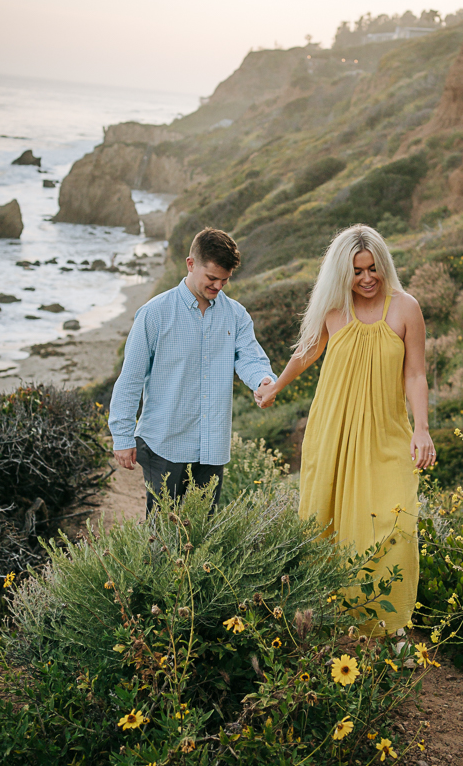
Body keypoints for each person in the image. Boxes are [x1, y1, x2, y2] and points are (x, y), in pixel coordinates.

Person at [255, 224, 436, 632]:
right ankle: (328, 621)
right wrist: (276, 386)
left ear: (383, 264)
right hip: (331, 431)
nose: (367, 278)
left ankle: (388, 629)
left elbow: (415, 375)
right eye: (357, 271)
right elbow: (306, 352)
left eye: (373, 268)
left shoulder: (406, 308)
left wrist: (421, 429)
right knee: (326, 524)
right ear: (344, 273)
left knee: (394, 525)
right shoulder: (335, 309)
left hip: (387, 433)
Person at [109, 227, 276, 514]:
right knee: (162, 533)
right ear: (191, 264)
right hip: (164, 443)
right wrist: (122, 436)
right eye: (212, 278)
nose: (219, 286)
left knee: (202, 533)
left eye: (225, 280)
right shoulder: (154, 313)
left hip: (212, 445)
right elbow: (131, 378)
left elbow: (250, 358)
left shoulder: (236, 314)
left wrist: (263, 381)